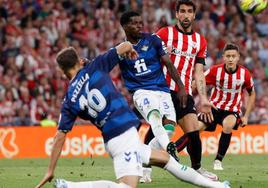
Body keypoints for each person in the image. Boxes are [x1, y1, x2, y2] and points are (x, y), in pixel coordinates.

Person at [36, 44, 231, 188]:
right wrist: (129, 49)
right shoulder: (95, 66)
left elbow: (60, 135)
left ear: (63, 72)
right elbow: (124, 46)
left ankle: (220, 187)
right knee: (127, 187)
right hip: (122, 136)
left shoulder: (69, 98)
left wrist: (50, 170)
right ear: (79, 60)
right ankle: (69, 186)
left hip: (115, 138)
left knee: (166, 160)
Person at [118, 11, 188, 182]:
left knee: (169, 129)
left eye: (140, 22)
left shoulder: (153, 40)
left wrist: (181, 88)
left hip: (162, 91)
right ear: (125, 26)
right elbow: (103, 63)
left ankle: (144, 165)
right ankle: (169, 149)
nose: (139, 26)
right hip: (141, 92)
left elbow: (168, 63)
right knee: (155, 116)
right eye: (134, 23)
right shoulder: (120, 50)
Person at [156, 0, 218, 180]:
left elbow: (199, 72)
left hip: (184, 94)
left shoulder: (200, 41)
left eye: (189, 11)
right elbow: (148, 55)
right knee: (158, 130)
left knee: (193, 132)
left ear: (194, 15)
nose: (185, 15)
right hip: (163, 92)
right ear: (176, 14)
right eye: (182, 11)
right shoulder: (164, 33)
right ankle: (144, 170)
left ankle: (197, 168)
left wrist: (204, 99)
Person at [175, 43, 256, 171]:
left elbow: (252, 93)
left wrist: (246, 116)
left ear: (238, 57)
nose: (230, 59)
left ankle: (218, 160)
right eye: (228, 56)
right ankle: (174, 150)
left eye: (233, 56)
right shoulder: (215, 70)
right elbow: (197, 83)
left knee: (228, 125)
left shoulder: (244, 74)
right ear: (223, 57)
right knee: (195, 130)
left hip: (232, 110)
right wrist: (197, 97)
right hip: (214, 108)